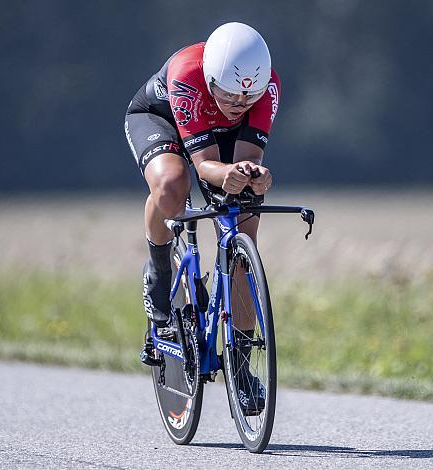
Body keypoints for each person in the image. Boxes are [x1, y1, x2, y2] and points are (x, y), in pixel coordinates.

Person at [124, 22, 280, 413]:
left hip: (218, 135)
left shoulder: (266, 89)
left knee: (245, 217)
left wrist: (256, 177)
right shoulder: (187, 75)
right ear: (212, 78)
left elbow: (250, 157)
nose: (238, 104)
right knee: (173, 187)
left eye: (248, 98)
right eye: (228, 95)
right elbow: (206, 165)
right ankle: (160, 269)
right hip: (163, 120)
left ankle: (241, 368)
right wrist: (224, 172)